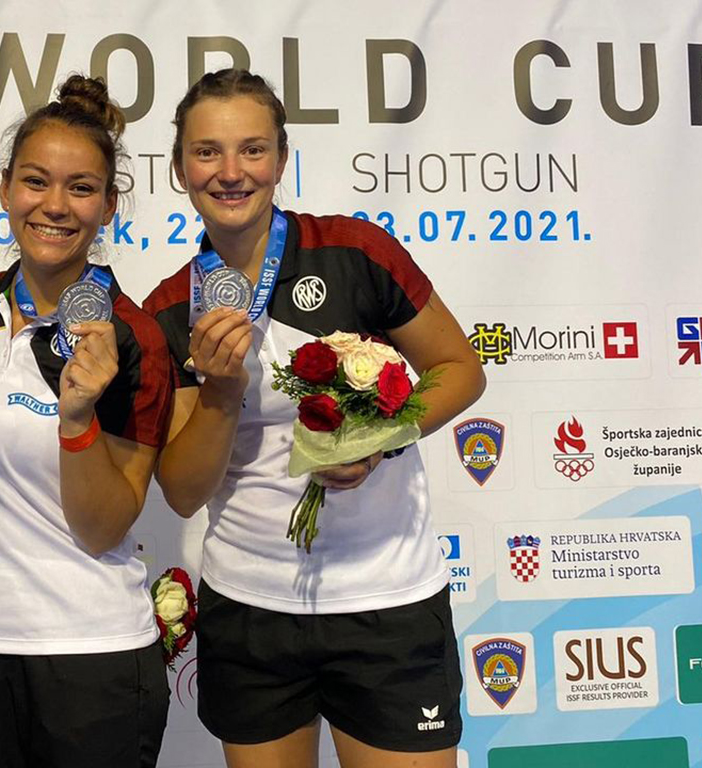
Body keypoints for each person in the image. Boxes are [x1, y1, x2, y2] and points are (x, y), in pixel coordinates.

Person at [142, 69, 486, 768]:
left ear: (282, 157)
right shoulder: (171, 306)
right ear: (179, 169)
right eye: (207, 152)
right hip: (251, 606)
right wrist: (219, 392)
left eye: (252, 150)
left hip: (386, 597)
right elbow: (182, 492)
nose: (231, 172)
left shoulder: (354, 251)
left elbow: (461, 369)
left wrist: (379, 438)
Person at [0, 75, 173, 768]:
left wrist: (78, 417)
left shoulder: (132, 335)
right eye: (35, 182)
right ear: (4, 190)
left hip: (91, 655)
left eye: (81, 188)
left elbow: (104, 524)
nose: (54, 206)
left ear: (110, 205)